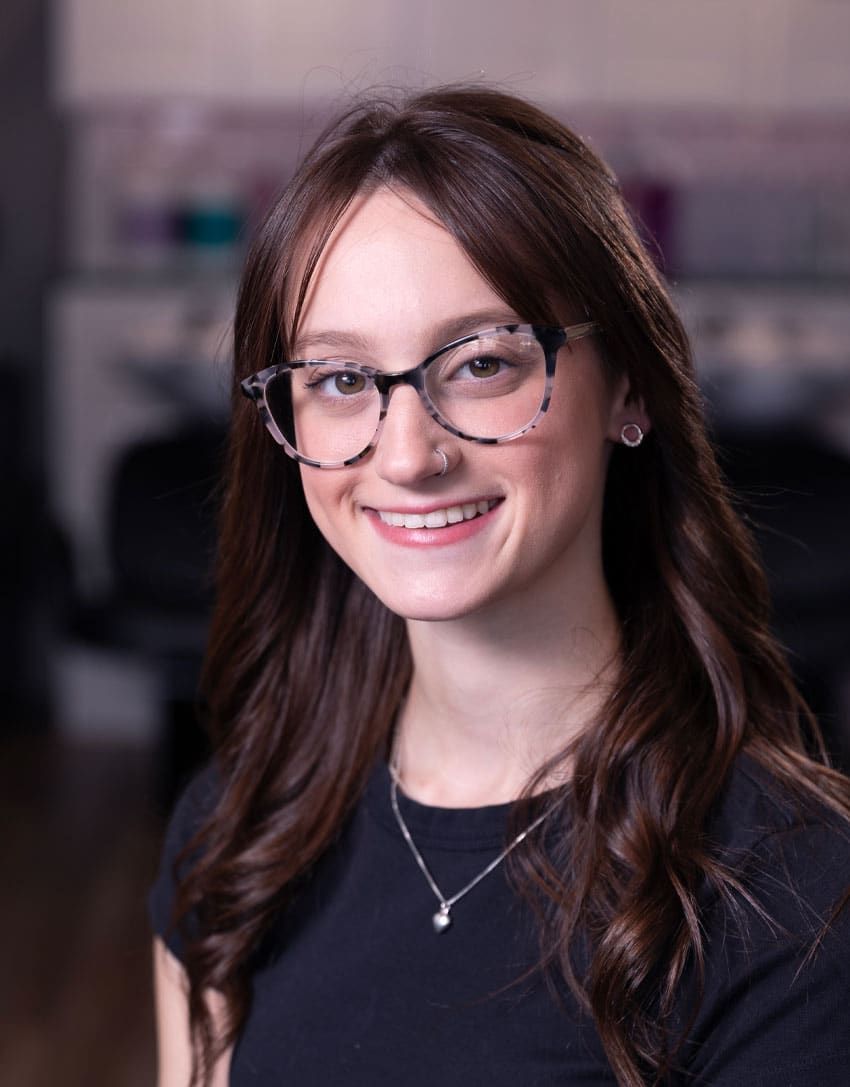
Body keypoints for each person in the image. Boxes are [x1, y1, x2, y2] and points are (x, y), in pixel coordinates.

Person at [149, 85, 850, 1087]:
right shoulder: (235, 831)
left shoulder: (793, 904)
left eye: (481, 364)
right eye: (342, 380)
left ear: (629, 386)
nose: (406, 455)